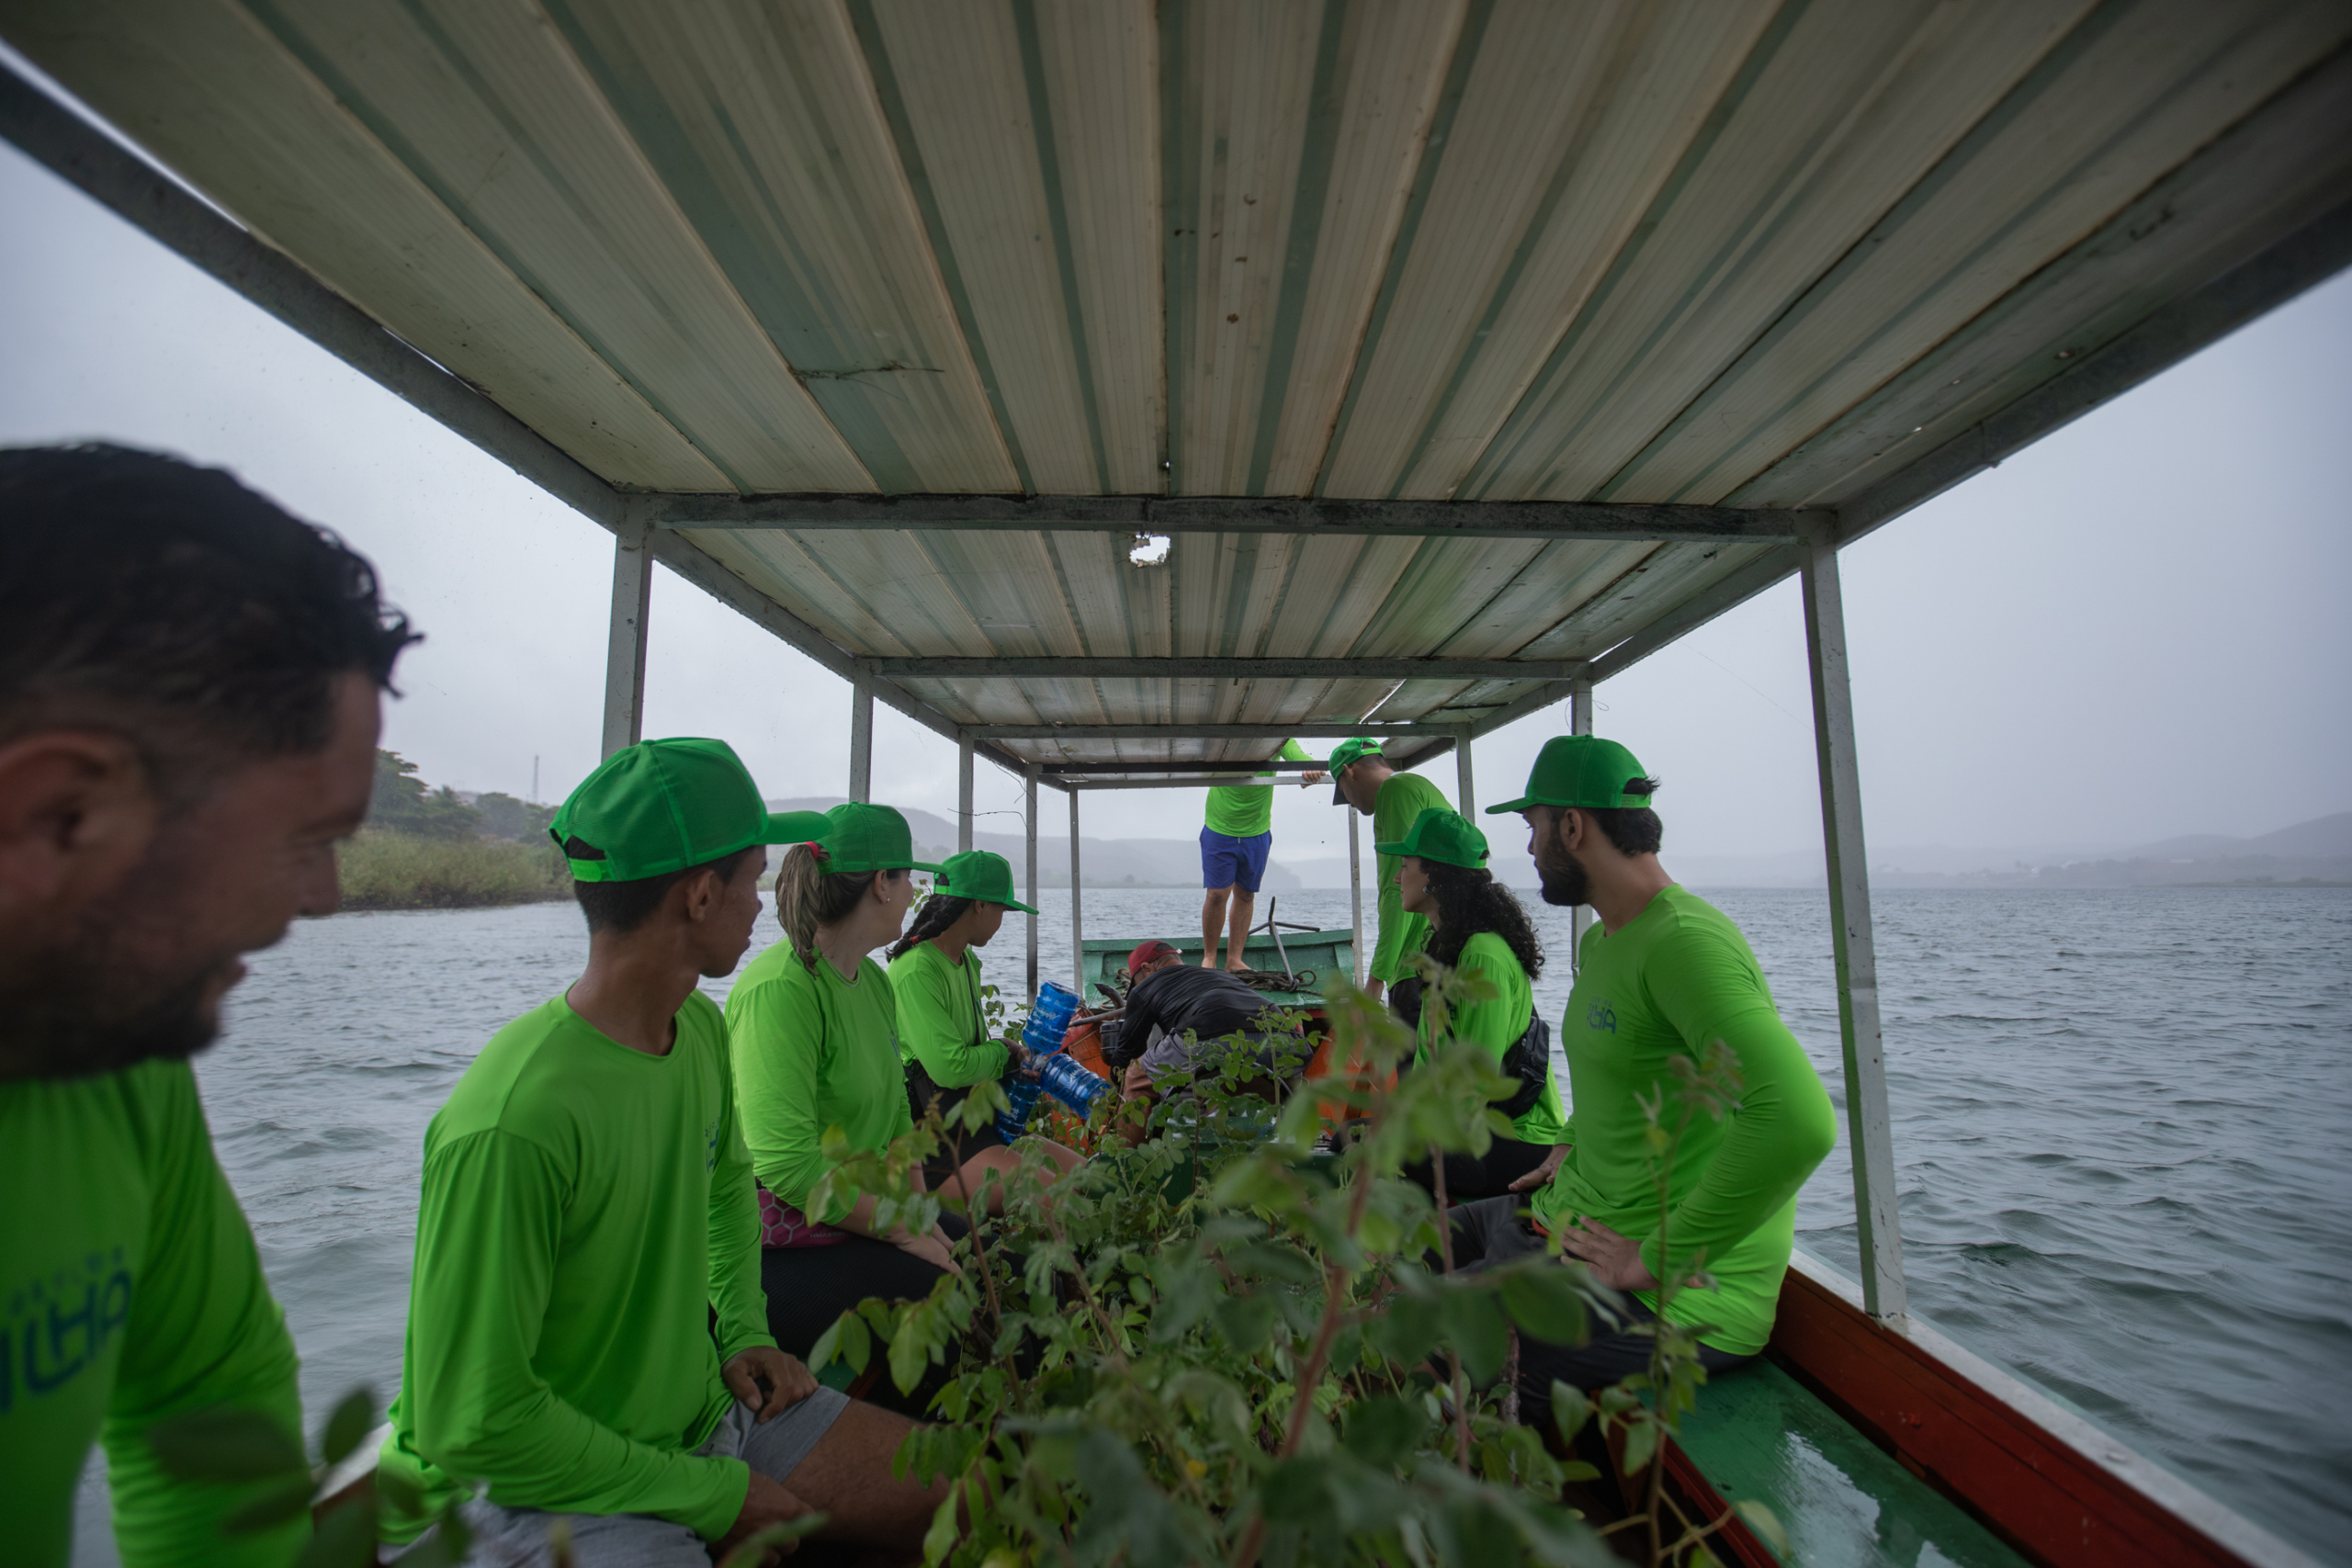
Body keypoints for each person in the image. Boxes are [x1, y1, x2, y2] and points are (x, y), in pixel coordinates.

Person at [375, 739, 942, 1562]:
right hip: (528, 1486)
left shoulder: (699, 1030)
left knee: (972, 1494)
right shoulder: (512, 1118)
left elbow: (729, 1192)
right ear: (702, 895)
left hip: (704, 1414)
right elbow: (477, 1420)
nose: (764, 906)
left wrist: (743, 1332)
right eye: (753, 880)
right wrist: (710, 1493)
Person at [0, 446, 411, 1566]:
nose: (325, 899)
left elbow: (208, 1403)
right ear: (55, 814)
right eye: (307, 840)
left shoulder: (112, 1056)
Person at [1446, 736, 1838, 1435]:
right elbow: (1622, 1066)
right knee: (1391, 1251)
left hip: (1672, 1299)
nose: (1529, 848)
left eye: (1534, 826)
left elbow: (1798, 1119)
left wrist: (1653, 1258)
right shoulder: (1603, 940)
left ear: (1573, 826)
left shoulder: (1684, 941)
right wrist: (1572, 1138)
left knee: (1409, 1339)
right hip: (1570, 1217)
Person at [728, 803, 966, 1369]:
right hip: (788, 1235)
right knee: (950, 1317)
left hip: (865, 1208)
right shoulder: (781, 990)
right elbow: (786, 1165)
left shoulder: (875, 983)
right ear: (881, 884)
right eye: (907, 879)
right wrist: (900, 1230)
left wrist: (916, 1209)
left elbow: (898, 1115)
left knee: (989, 1257)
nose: (914, 893)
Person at [1381, 807, 1571, 1201]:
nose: (1398, 878)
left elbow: (1478, 1078)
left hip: (1519, 1137)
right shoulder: (1448, 947)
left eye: (1405, 866)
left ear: (1435, 876)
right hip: (1471, 1128)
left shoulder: (1482, 955)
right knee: (1357, 1138)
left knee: (1372, 1151)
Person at [887, 849, 1081, 1209]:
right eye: (1001, 911)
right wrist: (1004, 1052)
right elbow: (950, 1067)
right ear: (979, 906)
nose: (1001, 921)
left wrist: (1009, 1058)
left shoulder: (965, 961)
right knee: (1063, 1199)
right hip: (936, 1139)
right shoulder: (916, 969)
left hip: (975, 1120)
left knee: (1088, 1178)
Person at [1095, 941, 1304, 1109]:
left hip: (1211, 1040)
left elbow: (1126, 1054)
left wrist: (1115, 1093)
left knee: (1136, 1075)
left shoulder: (1147, 985)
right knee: (1228, 1088)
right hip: (1286, 1047)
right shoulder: (1221, 975)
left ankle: (1121, 1147)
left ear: (1147, 969)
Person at [1329, 738, 1452, 1006]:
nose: (1349, 801)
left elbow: (1399, 889)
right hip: (1438, 955)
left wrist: (1376, 980)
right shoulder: (1414, 786)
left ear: (1349, 771)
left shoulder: (1395, 791)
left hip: (1417, 965)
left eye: (1343, 791)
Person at [1199, 739, 1327, 972]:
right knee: (1217, 894)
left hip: (1257, 831)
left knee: (1246, 894)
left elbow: (1297, 754)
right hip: (1219, 828)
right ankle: (1209, 959)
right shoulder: (1226, 735)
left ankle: (1234, 960)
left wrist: (1311, 767)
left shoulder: (1277, 736)